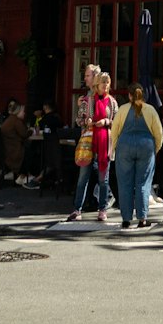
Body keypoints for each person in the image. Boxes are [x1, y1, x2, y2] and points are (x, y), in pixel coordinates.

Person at [111, 82, 163, 229]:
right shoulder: (150, 110)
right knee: (143, 183)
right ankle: (142, 218)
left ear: (129, 96)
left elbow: (115, 131)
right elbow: (158, 133)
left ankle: (126, 219)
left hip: (125, 147)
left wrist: (114, 149)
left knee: (125, 184)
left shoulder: (122, 109)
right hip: (146, 147)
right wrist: (155, 149)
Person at [67, 70, 116, 222]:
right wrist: (86, 121)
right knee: (83, 178)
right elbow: (78, 120)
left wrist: (106, 122)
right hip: (89, 142)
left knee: (103, 179)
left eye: (108, 83)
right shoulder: (88, 101)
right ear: (97, 85)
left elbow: (117, 122)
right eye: (103, 83)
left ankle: (102, 209)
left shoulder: (112, 102)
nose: (106, 86)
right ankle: (77, 209)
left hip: (104, 143)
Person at [0, 102, 35, 187]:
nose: (24, 113)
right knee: (34, 151)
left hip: (9, 151)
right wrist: (31, 131)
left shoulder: (8, 120)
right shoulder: (16, 121)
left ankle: (22, 175)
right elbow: (24, 134)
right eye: (23, 111)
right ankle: (26, 175)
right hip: (17, 151)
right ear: (18, 112)